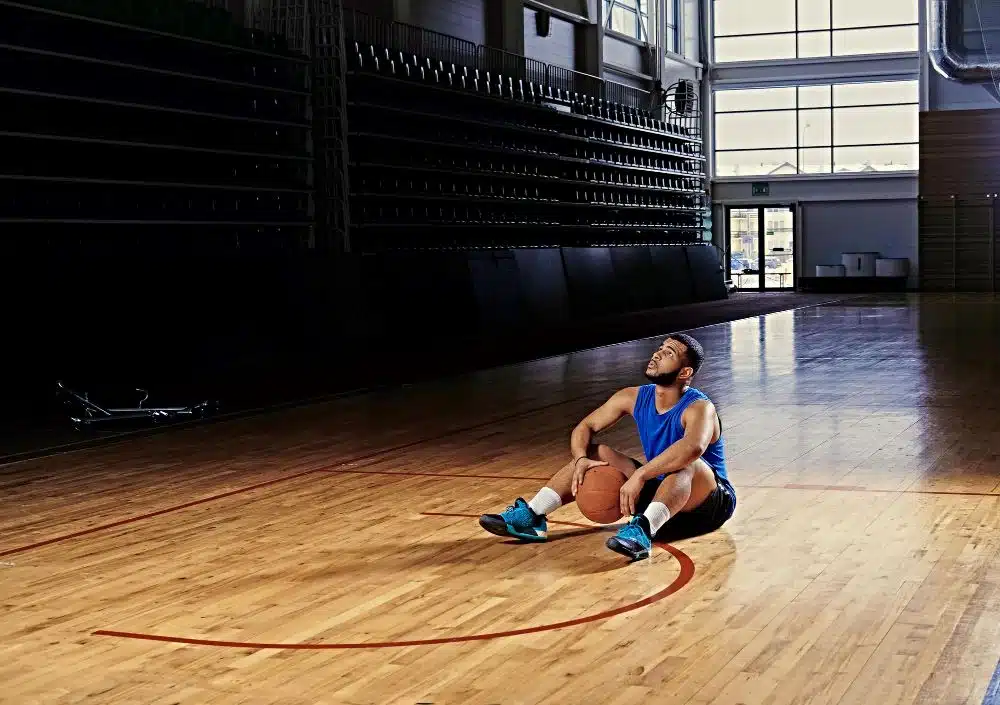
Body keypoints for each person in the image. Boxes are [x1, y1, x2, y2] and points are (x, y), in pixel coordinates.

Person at [479, 333, 735, 561]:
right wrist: (580, 460)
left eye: (669, 353)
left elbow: (691, 449)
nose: (657, 354)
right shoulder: (633, 396)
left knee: (688, 464)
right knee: (594, 452)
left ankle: (642, 532)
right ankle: (533, 516)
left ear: (685, 373)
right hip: (662, 492)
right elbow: (584, 427)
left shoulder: (700, 407)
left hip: (707, 503)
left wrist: (640, 474)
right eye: (660, 348)